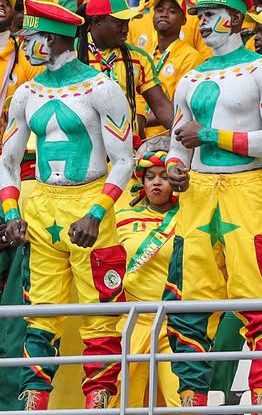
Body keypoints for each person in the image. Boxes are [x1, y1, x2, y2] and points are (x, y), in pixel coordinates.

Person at [0, 0, 135, 410]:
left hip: (92, 201)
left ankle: (101, 400)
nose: (24, 45)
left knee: (100, 311)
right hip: (41, 204)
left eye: (31, 38)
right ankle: (34, 400)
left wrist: (96, 214)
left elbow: (125, 160)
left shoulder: (102, 88)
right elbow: (7, 161)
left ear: (55, 39)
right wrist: (11, 213)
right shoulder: (26, 92)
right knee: (40, 312)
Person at [165, 0, 262, 409]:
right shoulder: (189, 79)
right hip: (196, 194)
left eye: (210, 15)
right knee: (190, 299)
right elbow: (178, 143)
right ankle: (192, 398)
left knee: (260, 297)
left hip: (248, 189)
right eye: (199, 15)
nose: (202, 23)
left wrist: (211, 135)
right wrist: (175, 168)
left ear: (235, 18)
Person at [115, 147, 181, 409]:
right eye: (150, 176)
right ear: (141, 182)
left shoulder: (190, 216)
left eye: (164, 176)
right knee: (122, 402)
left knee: (181, 401)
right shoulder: (121, 218)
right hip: (130, 321)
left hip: (176, 322)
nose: (156, 182)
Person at [79, 0, 173, 137]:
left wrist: (183, 130)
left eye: (127, 23)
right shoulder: (72, 54)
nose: (126, 29)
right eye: (119, 23)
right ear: (97, 22)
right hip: (83, 149)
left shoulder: (138, 58)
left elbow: (161, 106)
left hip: (125, 150)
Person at [144, 0, 203, 136]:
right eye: (159, 10)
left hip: (169, 141)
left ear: (184, 20)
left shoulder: (191, 57)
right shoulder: (145, 56)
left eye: (172, 11)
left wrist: (137, 120)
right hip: (139, 138)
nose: (164, 14)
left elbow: (179, 109)